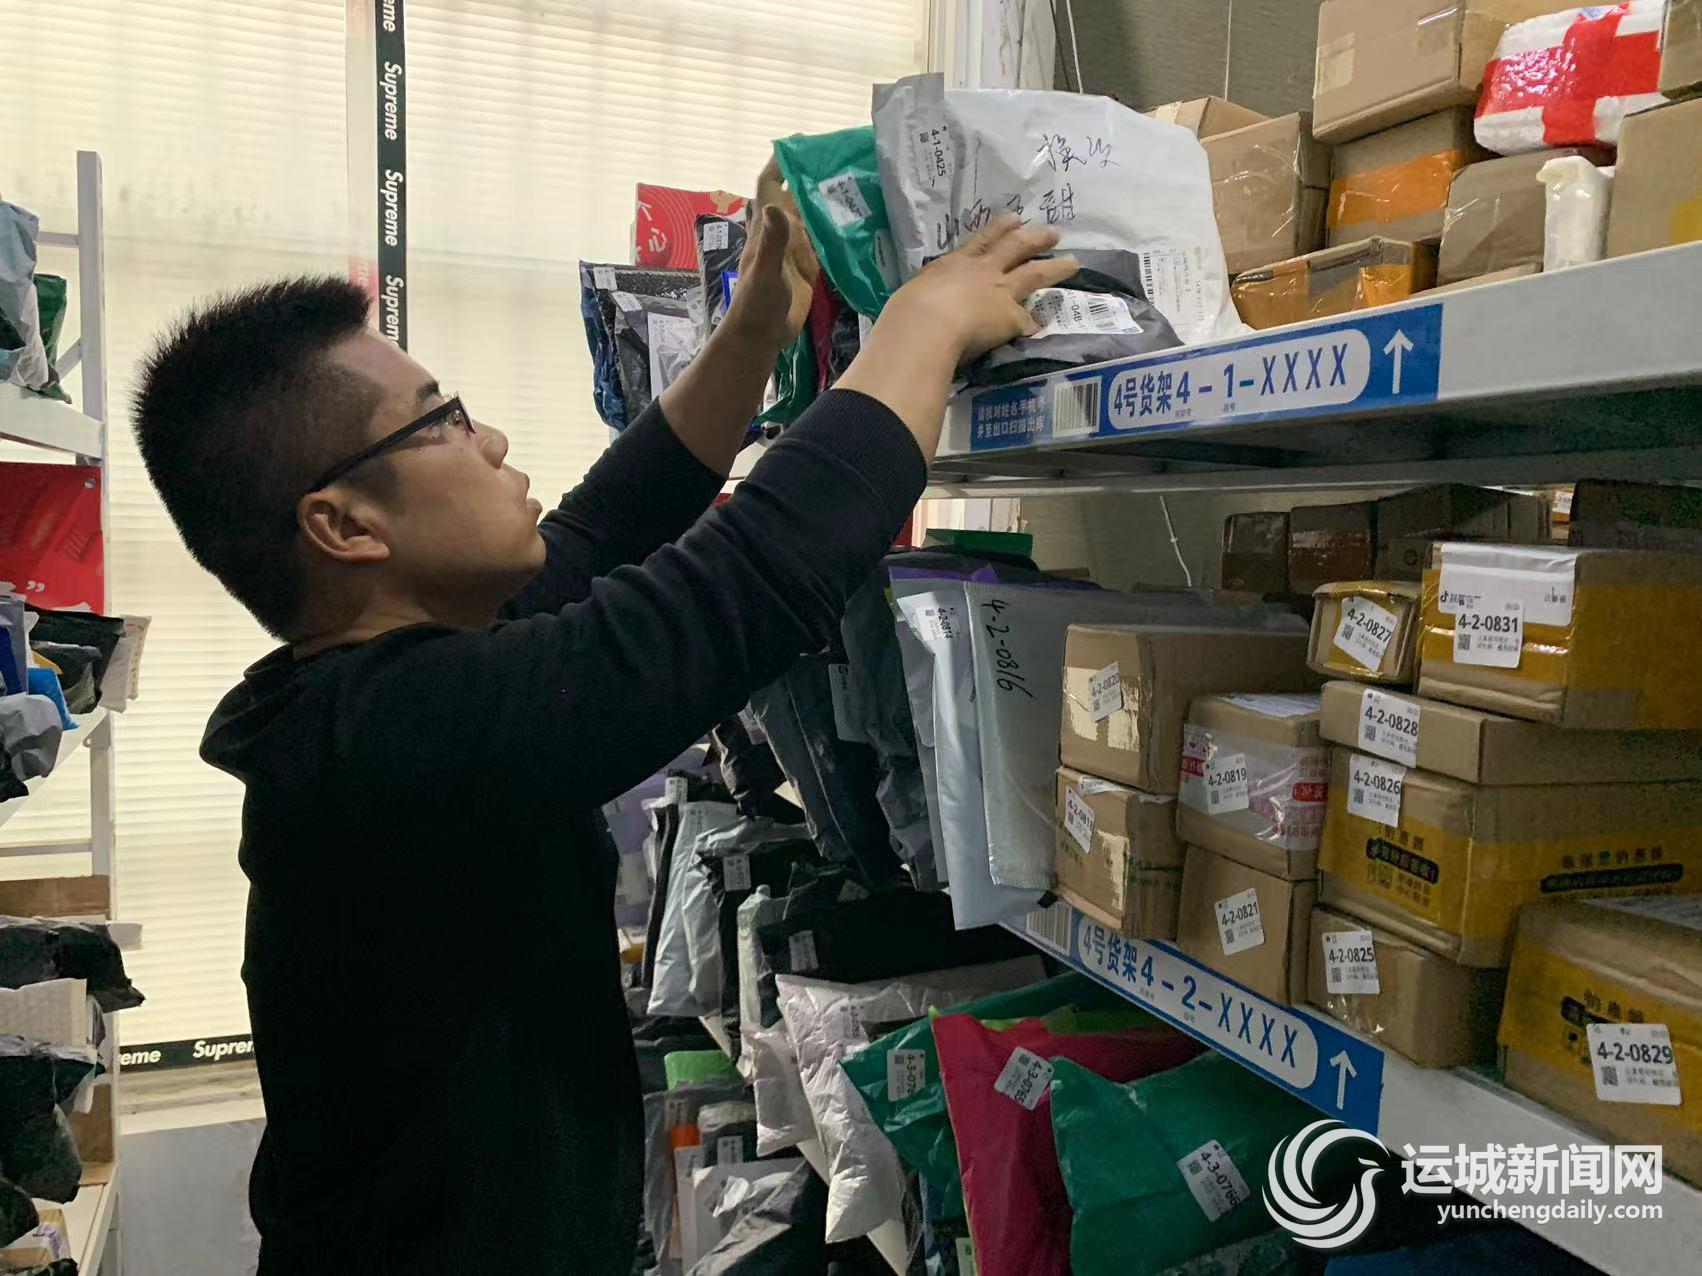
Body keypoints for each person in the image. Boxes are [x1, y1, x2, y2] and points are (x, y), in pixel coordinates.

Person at [133, 207, 1074, 1273]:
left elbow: (610, 524)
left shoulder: (387, 681)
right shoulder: (385, 741)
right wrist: (924, 323)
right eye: (441, 422)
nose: (490, 441)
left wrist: (754, 329)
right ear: (345, 524)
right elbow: (735, 589)